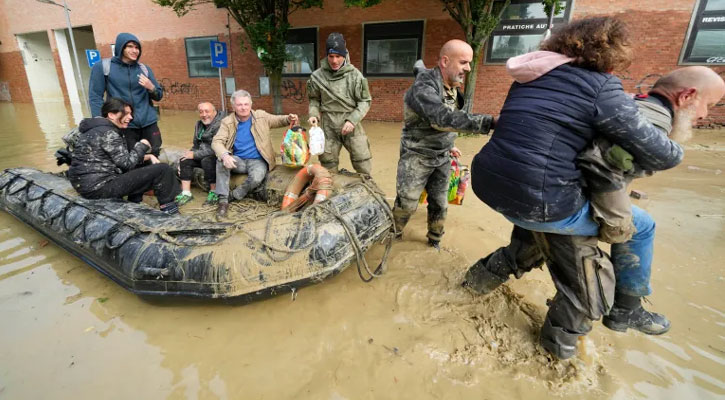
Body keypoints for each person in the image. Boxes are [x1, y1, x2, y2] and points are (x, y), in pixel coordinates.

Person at [461, 16, 719, 360]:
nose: (705, 115)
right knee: (637, 232)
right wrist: (677, 148)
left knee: (529, 245)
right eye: (709, 106)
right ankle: (589, 336)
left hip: (492, 184)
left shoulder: (529, 78)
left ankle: (467, 288)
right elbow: (660, 153)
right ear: (687, 95)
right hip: (542, 201)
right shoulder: (602, 88)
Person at [391, 39, 494, 250]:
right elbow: (441, 118)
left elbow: (453, 119)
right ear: (445, 61)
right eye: (464, 62)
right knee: (407, 202)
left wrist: (450, 144)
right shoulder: (423, 87)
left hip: (443, 156)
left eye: (470, 63)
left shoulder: (454, 86)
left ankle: (435, 240)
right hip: (416, 155)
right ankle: (393, 233)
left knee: (440, 202)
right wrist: (490, 122)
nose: (468, 68)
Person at [68, 98, 181, 214]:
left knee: (140, 166)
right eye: (126, 113)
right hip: (99, 188)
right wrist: (142, 145)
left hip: (84, 185)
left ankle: (135, 202)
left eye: (131, 113)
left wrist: (150, 156)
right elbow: (127, 164)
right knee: (163, 169)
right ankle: (170, 210)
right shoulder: (109, 133)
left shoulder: (92, 130)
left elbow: (118, 159)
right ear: (111, 115)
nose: (131, 117)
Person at [211, 90, 298, 219]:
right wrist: (225, 155)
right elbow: (216, 141)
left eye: (246, 104)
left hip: (258, 160)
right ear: (233, 107)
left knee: (257, 177)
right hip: (238, 160)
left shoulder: (261, 116)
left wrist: (289, 118)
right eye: (239, 105)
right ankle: (223, 201)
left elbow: (279, 120)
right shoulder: (227, 122)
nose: (243, 107)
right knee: (220, 160)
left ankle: (234, 196)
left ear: (251, 104)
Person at [307, 33, 373, 175]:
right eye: (331, 56)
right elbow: (314, 99)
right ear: (327, 56)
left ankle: (368, 191)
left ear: (345, 55)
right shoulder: (317, 77)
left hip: (351, 123)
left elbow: (365, 101)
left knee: (362, 160)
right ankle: (331, 194)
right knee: (328, 164)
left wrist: (352, 120)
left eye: (338, 56)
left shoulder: (355, 75)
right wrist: (313, 114)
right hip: (328, 124)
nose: (334, 61)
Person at [89, 33, 164, 156]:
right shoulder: (103, 67)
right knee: (129, 158)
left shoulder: (144, 69)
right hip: (124, 124)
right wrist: (101, 124)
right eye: (130, 46)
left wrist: (151, 88)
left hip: (149, 123)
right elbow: (95, 97)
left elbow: (159, 96)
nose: (135, 51)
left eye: (137, 47)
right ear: (120, 47)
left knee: (154, 153)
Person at [175, 102, 224, 206]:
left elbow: (217, 148)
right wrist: (189, 153)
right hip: (201, 153)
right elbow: (196, 145)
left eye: (207, 111)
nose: (204, 114)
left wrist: (195, 155)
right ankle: (186, 193)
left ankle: (214, 192)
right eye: (201, 112)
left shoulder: (221, 125)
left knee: (207, 160)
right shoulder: (199, 124)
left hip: (216, 156)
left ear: (214, 112)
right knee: (185, 159)